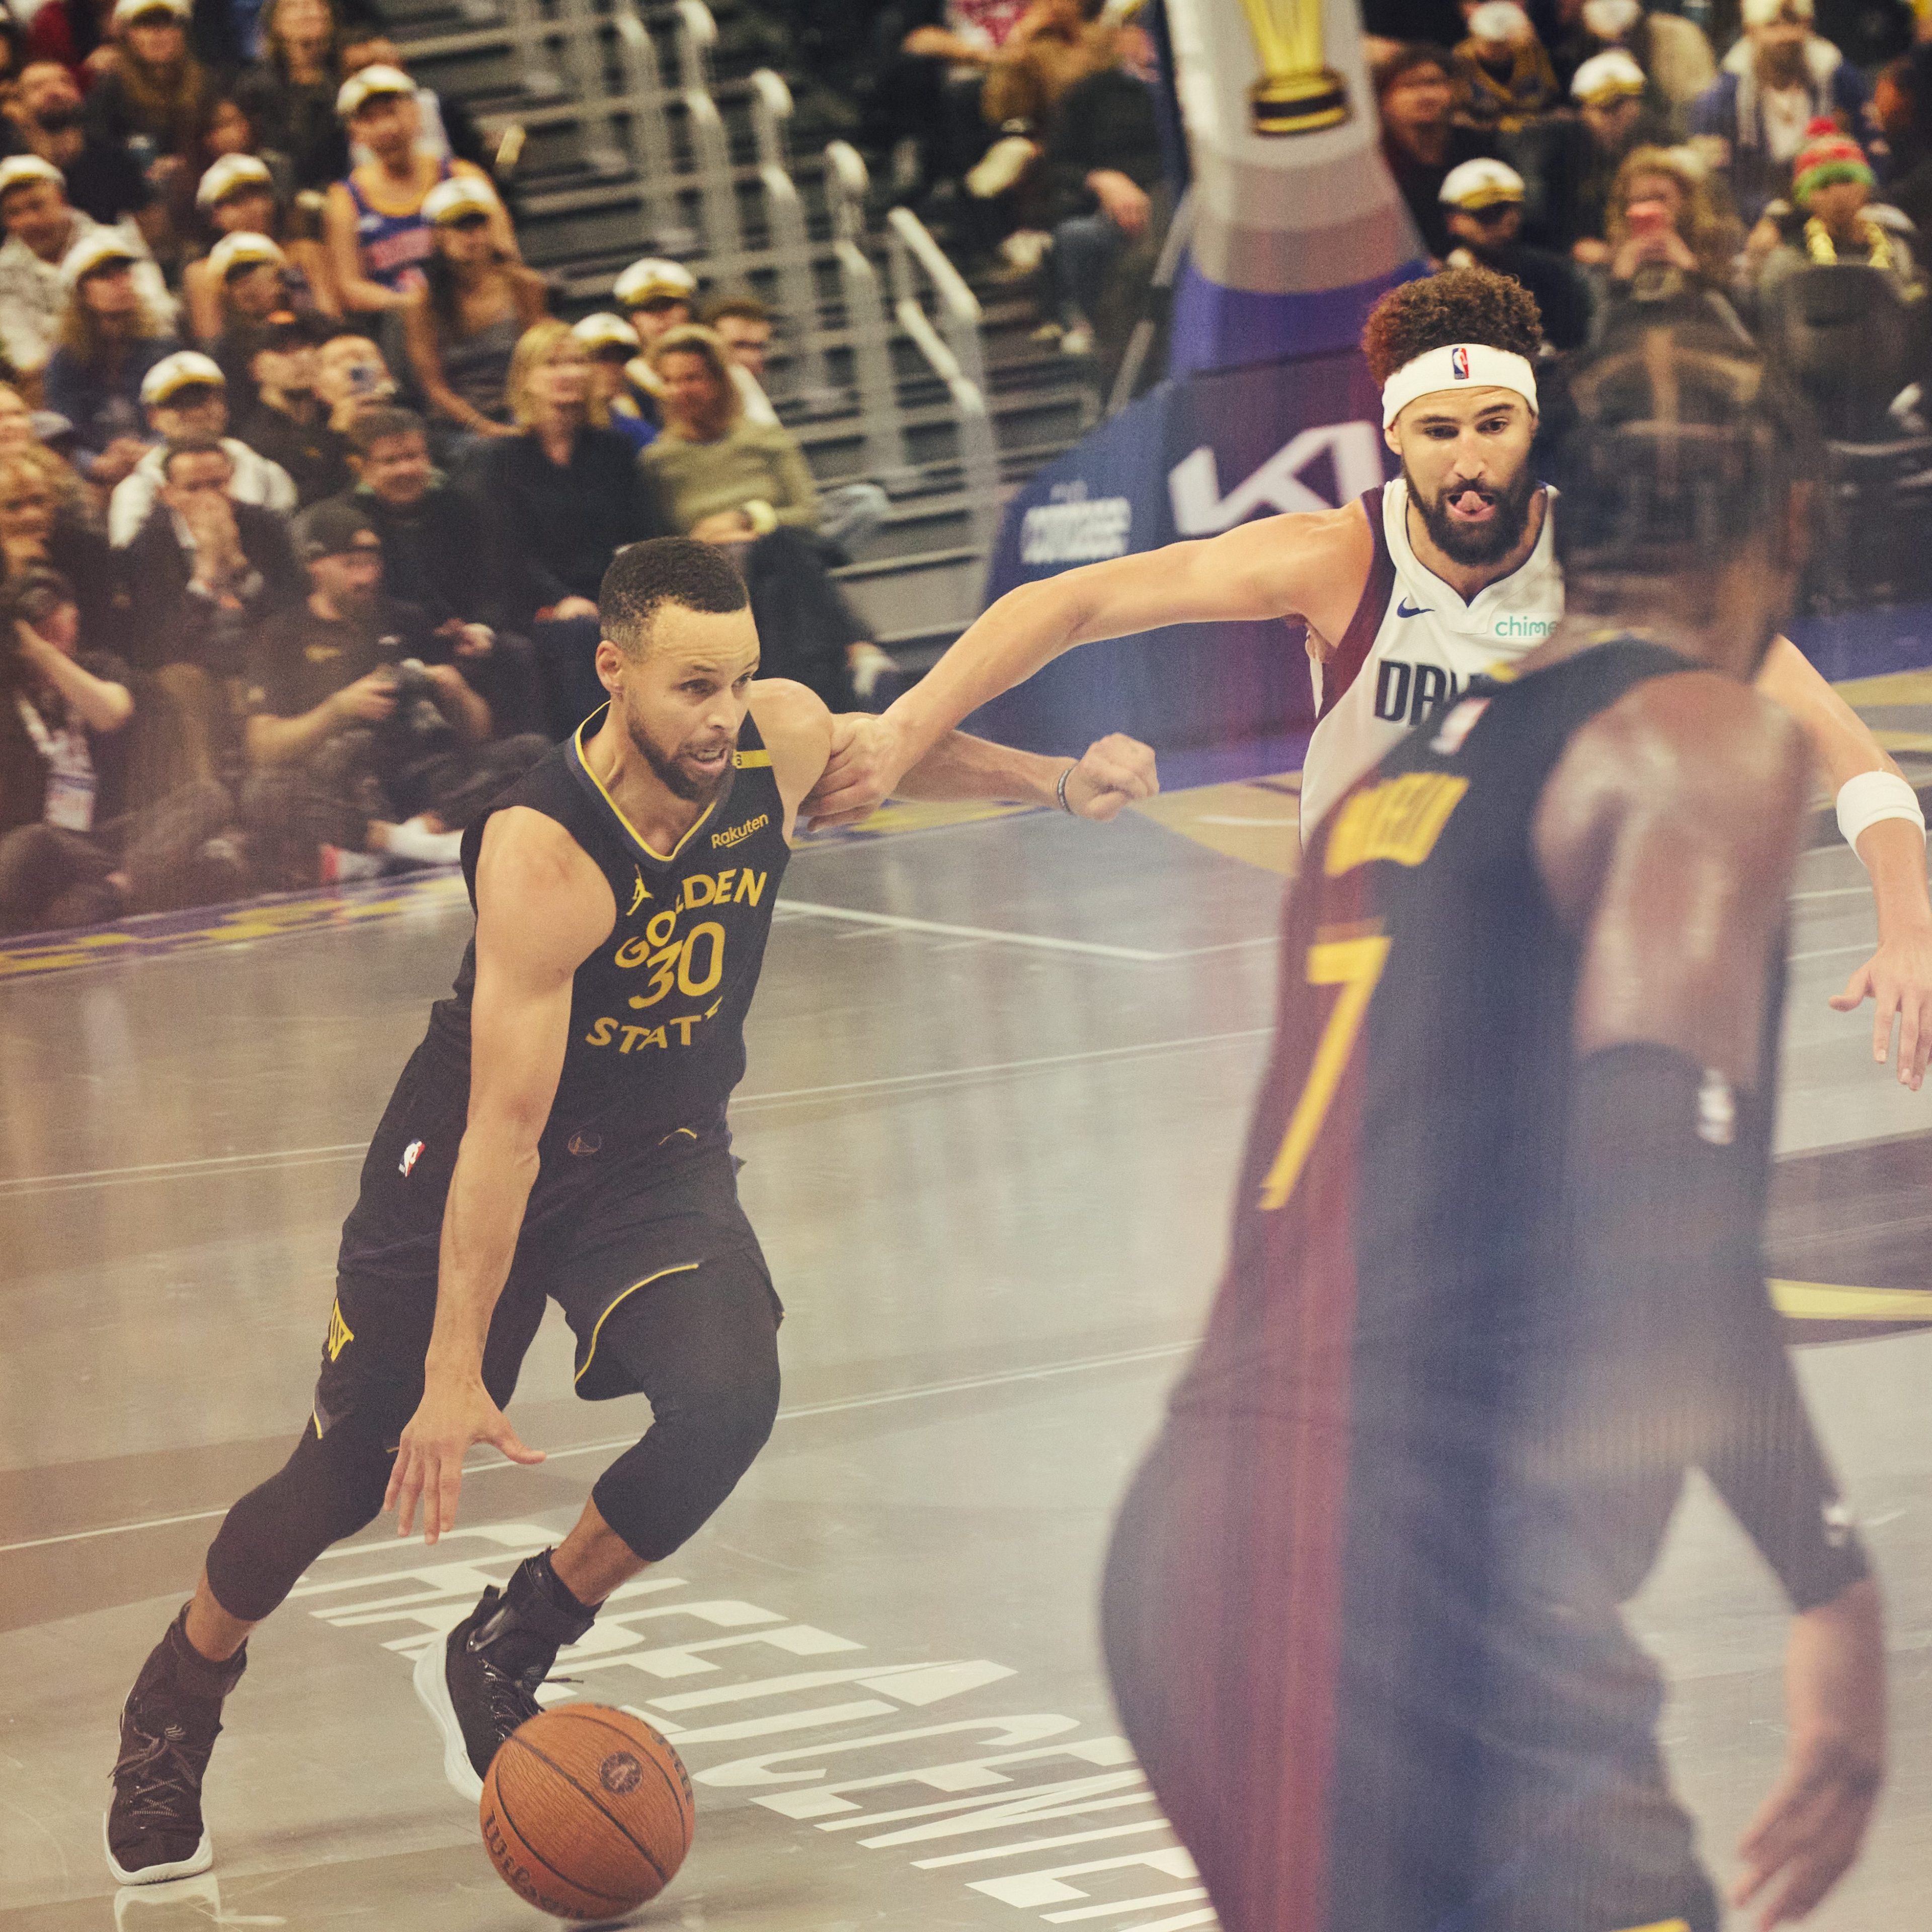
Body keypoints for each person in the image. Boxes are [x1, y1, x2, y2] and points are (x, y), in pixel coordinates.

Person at [101, 531, 1161, 1885]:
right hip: (481, 1148)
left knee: (730, 1397)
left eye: (740, 683)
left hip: (656, 1157)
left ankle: (518, 1635)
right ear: (615, 672)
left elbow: (875, 755)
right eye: (691, 688)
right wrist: (448, 1373)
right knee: (346, 1475)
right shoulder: (545, 849)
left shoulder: (767, 733)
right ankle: (178, 1696)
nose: (724, 718)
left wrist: (1056, 781)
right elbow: (504, 1126)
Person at [1097, 322, 1885, 1932]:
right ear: (1787, 530)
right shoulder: (1691, 736)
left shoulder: (1399, 775)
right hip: (1416, 1573)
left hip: (1197, 1545)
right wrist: (1831, 1586)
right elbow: (1666, 1216)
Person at [811, 266, 1932, 1084]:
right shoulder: (1336, 559)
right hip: (1376, 950)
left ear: (1534, 425)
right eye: (1437, 430)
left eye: (1494, 423)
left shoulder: (1615, 566)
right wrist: (901, 733)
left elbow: (1854, 758)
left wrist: (1909, 929)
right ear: (1396, 438)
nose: (1469, 455)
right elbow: (1067, 601)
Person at [238, 497, 544, 885]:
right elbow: (263, 747)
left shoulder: (407, 619)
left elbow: (479, 734)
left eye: (372, 564)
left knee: (533, 752)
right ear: (316, 567)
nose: (366, 577)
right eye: (351, 565)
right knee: (264, 791)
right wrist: (339, 709)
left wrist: (455, 689)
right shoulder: (281, 635)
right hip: (345, 785)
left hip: (424, 776)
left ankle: (395, 845)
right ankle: (418, 844)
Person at [643, 323, 894, 706]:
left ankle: (794, 700)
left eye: (692, 378)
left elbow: (808, 514)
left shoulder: (765, 439)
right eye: (669, 381)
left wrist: (745, 520)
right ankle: (857, 646)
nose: (680, 391)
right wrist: (705, 539)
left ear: (718, 380)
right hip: (708, 574)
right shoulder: (657, 461)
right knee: (781, 557)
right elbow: (658, 542)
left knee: (778, 559)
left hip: (777, 561)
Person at [0, 565, 239, 930]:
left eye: (56, 612)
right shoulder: (7, 691)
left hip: (112, 843)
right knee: (26, 844)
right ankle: (134, 889)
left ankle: (117, 890)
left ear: (75, 618)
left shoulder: (99, 667)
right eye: (34, 619)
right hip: (47, 846)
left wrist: (44, 654)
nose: (46, 625)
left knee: (210, 797)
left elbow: (111, 712)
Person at [476, 318, 668, 735]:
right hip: (538, 605)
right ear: (526, 379)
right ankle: (595, 759)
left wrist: (617, 597)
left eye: (577, 362)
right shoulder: (503, 460)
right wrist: (562, 599)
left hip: (614, 596)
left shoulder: (614, 451)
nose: (569, 373)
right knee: (582, 631)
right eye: (553, 363)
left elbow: (643, 535)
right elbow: (508, 555)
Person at [340, 404, 543, 735]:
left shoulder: (460, 507)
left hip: (463, 634)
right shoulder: (349, 522)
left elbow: (492, 581)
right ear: (359, 467)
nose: (407, 469)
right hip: (390, 638)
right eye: (391, 461)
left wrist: (481, 628)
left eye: (415, 457)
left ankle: (530, 761)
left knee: (516, 652)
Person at [323, 65, 507, 315]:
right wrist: (416, 307)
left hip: (475, 313)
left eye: (391, 112)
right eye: (369, 119)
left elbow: (505, 254)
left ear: (416, 112)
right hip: (396, 324)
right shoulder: (345, 199)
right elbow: (351, 288)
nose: (386, 129)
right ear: (354, 132)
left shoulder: (463, 177)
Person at [1688, 0, 1872, 226]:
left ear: (1808, 25)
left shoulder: (1841, 83)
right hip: (1753, 221)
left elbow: (1871, 157)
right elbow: (1717, 182)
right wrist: (1773, 219)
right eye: (1772, 26)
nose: (1786, 36)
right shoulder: (1723, 97)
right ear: (1750, 30)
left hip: (1841, 215)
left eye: (1795, 24)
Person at [401, 172, 546, 449]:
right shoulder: (421, 303)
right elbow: (434, 388)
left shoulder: (525, 285)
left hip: (522, 412)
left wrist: (528, 419)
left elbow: (537, 360)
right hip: (458, 427)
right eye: (460, 227)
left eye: (480, 226)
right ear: (438, 235)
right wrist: (485, 428)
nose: (473, 238)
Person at [0, 151, 170, 380]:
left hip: (137, 363)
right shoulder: (4, 272)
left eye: (36, 206)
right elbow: (26, 356)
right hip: (56, 380)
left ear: (62, 200)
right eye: (14, 213)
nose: (28, 221)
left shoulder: (119, 242)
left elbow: (160, 314)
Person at [107, 346, 294, 544]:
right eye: (181, 404)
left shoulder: (266, 474)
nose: (196, 413)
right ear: (153, 417)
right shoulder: (137, 491)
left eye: (204, 401)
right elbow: (131, 566)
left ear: (224, 406)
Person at [41, 225, 177, 483]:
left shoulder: (162, 349)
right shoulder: (64, 362)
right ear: (81, 292)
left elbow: (179, 418)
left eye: (124, 273)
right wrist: (94, 464)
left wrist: (152, 452)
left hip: (160, 468)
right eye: (104, 276)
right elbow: (61, 435)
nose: (120, 283)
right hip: (93, 479)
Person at [1752, 116, 1924, 304]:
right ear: (1806, 199)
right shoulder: (1788, 259)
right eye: (1824, 185)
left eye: (1846, 181)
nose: (1838, 195)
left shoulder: (1896, 248)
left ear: (1865, 189)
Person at [1595, 143, 1751, 342]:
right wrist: (1620, 281)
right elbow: (1601, 342)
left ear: (1683, 199)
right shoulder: (1619, 250)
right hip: (1634, 352)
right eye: (1640, 201)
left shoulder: (1710, 238)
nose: (1651, 208)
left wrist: (1689, 269)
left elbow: (1732, 316)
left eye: (1661, 199)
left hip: (1701, 348)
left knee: (1714, 301)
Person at [1438, 156, 1592, 347]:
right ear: (1453, 220)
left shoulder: (1549, 274)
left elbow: (1575, 341)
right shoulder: (1436, 285)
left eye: (1513, 209)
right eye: (1488, 212)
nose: (1506, 221)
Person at [1376, 43, 1496, 259]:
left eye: (1434, 83)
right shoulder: (1375, 163)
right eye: (1409, 86)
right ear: (1385, 100)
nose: (1425, 95)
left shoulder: (1477, 147)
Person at [2, 59, 151, 228]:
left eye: (65, 82)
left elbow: (146, 230)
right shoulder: (7, 173)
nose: (55, 91)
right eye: (38, 86)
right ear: (18, 106)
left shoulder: (116, 161)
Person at [233, 306, 352, 504]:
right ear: (256, 369)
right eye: (283, 351)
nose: (301, 358)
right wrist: (337, 436)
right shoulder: (256, 440)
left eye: (306, 346)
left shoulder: (336, 413)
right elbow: (304, 501)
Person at [234, 0, 351, 195]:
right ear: (275, 23)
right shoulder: (254, 88)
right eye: (294, 6)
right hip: (281, 197)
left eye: (317, 4)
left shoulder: (347, 75)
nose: (308, 12)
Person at [611, 255, 695, 432]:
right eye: (648, 308)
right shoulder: (622, 384)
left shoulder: (723, 370)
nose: (661, 316)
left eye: (669, 305)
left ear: (687, 311)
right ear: (632, 320)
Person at [1451, 0, 1559, 133]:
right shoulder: (1461, 60)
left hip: (1535, 128)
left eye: (1504, 42)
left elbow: (1550, 95)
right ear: (1474, 35)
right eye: (1489, 41)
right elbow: (1458, 109)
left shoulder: (1531, 52)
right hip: (1483, 133)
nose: (1497, 48)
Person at [570, 310, 652, 451]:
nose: (613, 369)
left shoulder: (635, 431)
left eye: (620, 360)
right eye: (601, 359)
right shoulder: (560, 430)